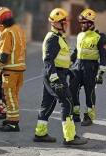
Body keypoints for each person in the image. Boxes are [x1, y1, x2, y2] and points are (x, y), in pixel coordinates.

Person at [34, 8, 88, 146]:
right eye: (64, 21)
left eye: (67, 21)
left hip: (58, 73)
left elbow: (60, 58)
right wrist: (55, 78)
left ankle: (40, 133)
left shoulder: (58, 37)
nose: (66, 23)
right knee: (67, 102)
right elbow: (48, 60)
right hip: (55, 75)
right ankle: (70, 137)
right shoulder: (53, 39)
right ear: (56, 23)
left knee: (47, 104)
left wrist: (68, 71)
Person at [70, 8, 106, 126]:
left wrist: (101, 73)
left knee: (89, 92)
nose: (81, 25)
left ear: (91, 23)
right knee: (72, 89)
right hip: (77, 66)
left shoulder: (100, 37)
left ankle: (89, 116)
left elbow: (103, 56)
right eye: (81, 23)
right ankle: (75, 113)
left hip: (90, 68)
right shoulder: (80, 35)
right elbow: (76, 52)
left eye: (84, 23)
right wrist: (67, 64)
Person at [0, 7, 26, 132]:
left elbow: (3, 54)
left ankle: (13, 123)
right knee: (14, 96)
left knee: (9, 96)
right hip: (19, 69)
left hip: (10, 70)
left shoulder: (7, 33)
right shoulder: (18, 29)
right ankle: (11, 118)